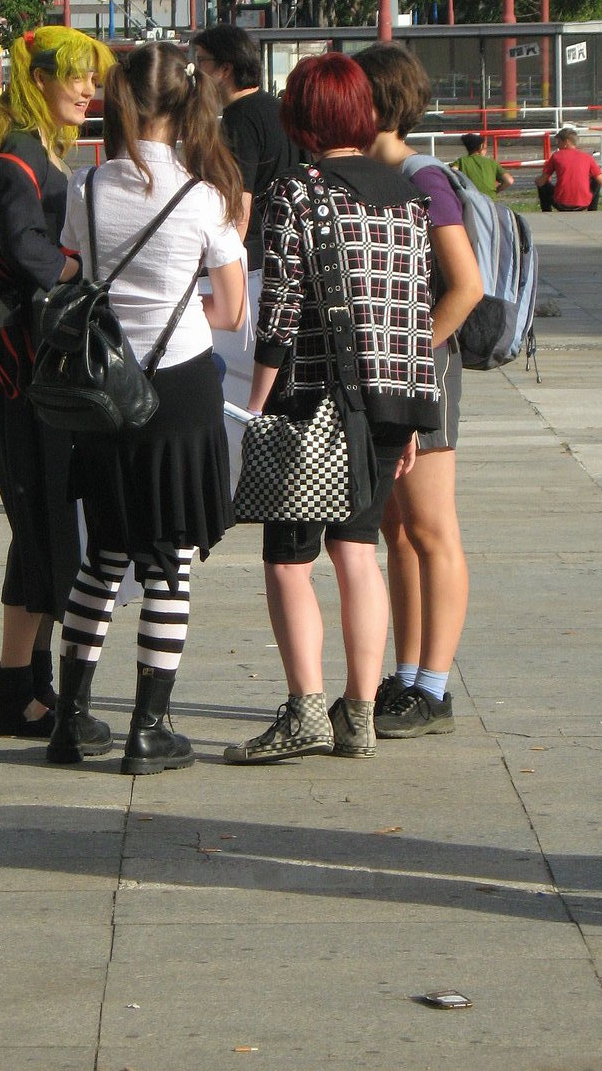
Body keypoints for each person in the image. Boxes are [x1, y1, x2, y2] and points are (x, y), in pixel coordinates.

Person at [223, 52, 441, 766]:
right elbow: (415, 311)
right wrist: (415, 417)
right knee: (357, 550)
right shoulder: (408, 196)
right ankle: (361, 714)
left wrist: (256, 406)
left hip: (311, 402)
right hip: (390, 403)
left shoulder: (297, 190)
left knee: (290, 559)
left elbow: (281, 310)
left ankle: (305, 710)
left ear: (302, 117)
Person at [47, 42, 246, 775]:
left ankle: (71, 720)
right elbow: (231, 310)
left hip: (104, 389)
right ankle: (149, 727)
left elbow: (75, 276)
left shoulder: (86, 186)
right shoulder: (204, 198)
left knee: (102, 556)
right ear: (189, 104)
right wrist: (181, 302)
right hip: (179, 387)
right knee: (169, 561)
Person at [0, 25, 114, 742]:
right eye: (76, 76)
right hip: (14, 363)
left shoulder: (35, 151)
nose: (89, 90)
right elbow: (29, 252)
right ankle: (26, 690)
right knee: (41, 518)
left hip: (27, 357)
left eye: (93, 77)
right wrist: (85, 271)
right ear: (38, 79)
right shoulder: (17, 158)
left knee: (43, 522)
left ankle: (25, 685)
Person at [352, 42, 483, 741]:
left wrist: (414, 353)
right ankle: (405, 676)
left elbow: (466, 286)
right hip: (389, 370)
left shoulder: (422, 178)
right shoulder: (369, 175)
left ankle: (434, 686)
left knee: (432, 529)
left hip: (423, 370)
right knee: (396, 530)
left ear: (376, 102)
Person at [192, 24, 299, 270]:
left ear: (225, 69)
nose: (197, 71)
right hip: (284, 246)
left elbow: (240, 204)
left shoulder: (239, 119)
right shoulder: (277, 108)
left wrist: (224, 268)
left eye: (202, 61)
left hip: (252, 256)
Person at [536, 125, 602, 211]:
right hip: (583, 204)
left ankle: (546, 210)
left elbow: (542, 181)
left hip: (561, 204)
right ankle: (592, 209)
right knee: (596, 180)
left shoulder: (556, 156)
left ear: (566, 142)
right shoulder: (587, 157)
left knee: (541, 182)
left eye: (559, 142)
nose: (557, 145)